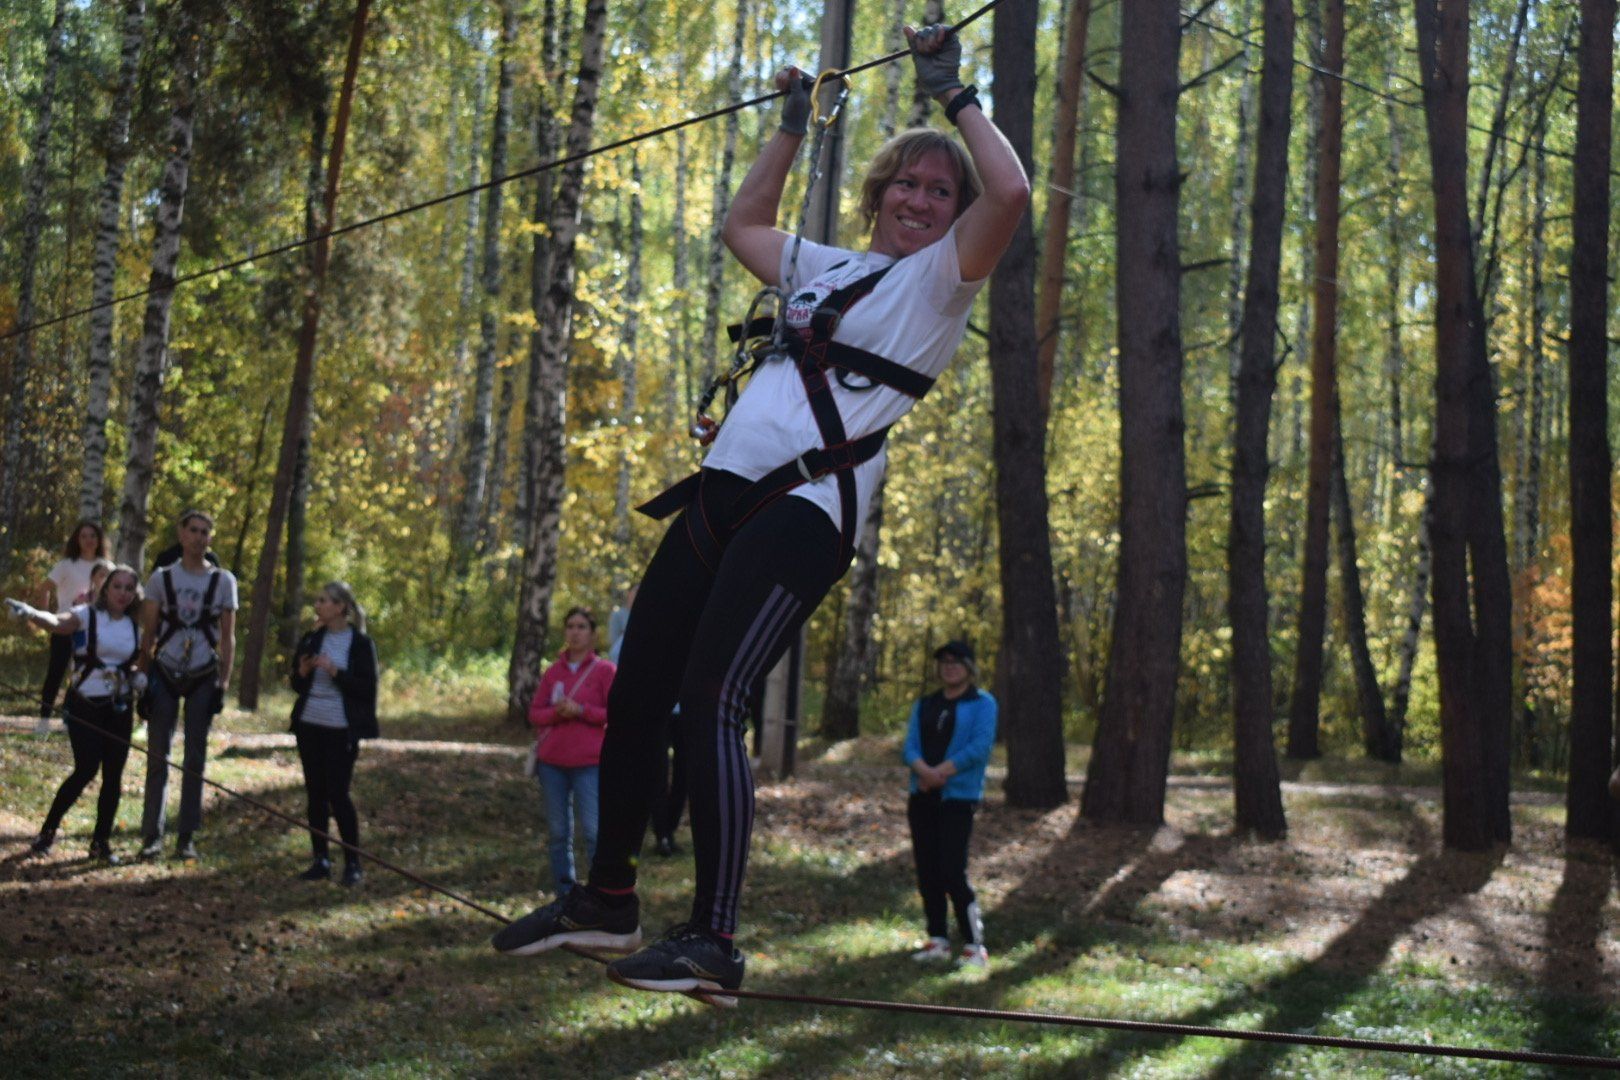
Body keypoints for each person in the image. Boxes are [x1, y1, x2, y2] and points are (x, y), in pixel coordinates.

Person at [492, 23, 1029, 1005]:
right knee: (641, 684)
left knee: (712, 695)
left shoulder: (941, 283)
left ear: (954, 215)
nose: (919, 200)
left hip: (808, 509)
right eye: (905, 184)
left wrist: (953, 96)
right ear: (876, 195)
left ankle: (714, 940)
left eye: (938, 191)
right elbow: (744, 224)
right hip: (719, 495)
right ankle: (607, 896)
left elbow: (1014, 195)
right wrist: (792, 126)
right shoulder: (824, 266)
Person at [6, 566, 146, 863]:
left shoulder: (134, 627)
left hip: (119, 707)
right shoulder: (86, 615)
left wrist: (137, 678)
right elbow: (57, 622)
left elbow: (134, 663)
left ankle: (100, 842)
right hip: (85, 704)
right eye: (117, 586)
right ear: (106, 588)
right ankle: (47, 831)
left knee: (113, 776)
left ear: (135, 594)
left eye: (129, 589)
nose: (122, 593)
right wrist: (31, 613)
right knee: (86, 769)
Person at [138, 509, 239, 860]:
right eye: (193, 530)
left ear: (210, 538)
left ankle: (186, 837)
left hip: (203, 674)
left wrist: (223, 684)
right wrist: (142, 678)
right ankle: (151, 835)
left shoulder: (224, 581)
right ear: (181, 534)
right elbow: (148, 634)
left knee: (195, 758)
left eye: (205, 532)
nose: (199, 537)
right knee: (157, 756)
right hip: (164, 671)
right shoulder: (160, 579)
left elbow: (228, 638)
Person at [903, 640, 996, 969]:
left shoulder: (982, 703)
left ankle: (974, 946)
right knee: (928, 871)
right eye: (944, 662)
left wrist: (941, 772)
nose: (949, 667)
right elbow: (909, 746)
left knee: (952, 871)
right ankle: (937, 939)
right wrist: (924, 772)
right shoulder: (926, 704)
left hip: (958, 798)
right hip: (922, 796)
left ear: (969, 667)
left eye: (956, 662)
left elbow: (979, 747)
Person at [289, 581, 379, 887]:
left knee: (338, 793)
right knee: (315, 793)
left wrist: (335, 672)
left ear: (340, 607)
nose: (318, 605)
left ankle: (352, 862)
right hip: (310, 724)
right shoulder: (313, 638)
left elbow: (366, 689)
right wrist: (302, 673)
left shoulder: (360, 644)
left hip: (341, 729)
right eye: (317, 600)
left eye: (323, 600)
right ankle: (320, 860)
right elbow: (297, 683)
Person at [527, 607, 615, 896]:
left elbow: (614, 713)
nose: (575, 632)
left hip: (589, 763)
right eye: (570, 626)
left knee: (593, 831)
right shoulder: (553, 672)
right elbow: (536, 714)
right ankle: (565, 893)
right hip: (552, 763)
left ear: (592, 633)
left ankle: (600, 892)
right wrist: (558, 713)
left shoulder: (604, 671)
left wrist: (582, 711)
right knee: (558, 833)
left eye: (581, 627)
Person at [35, 522, 111, 734]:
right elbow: (45, 588)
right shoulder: (67, 565)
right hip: (65, 626)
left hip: (93, 630)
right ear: (77, 540)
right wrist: (46, 616)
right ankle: (44, 720)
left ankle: (71, 717)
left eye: (93, 536)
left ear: (99, 540)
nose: (88, 540)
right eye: (84, 536)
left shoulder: (106, 566)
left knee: (83, 672)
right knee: (56, 671)